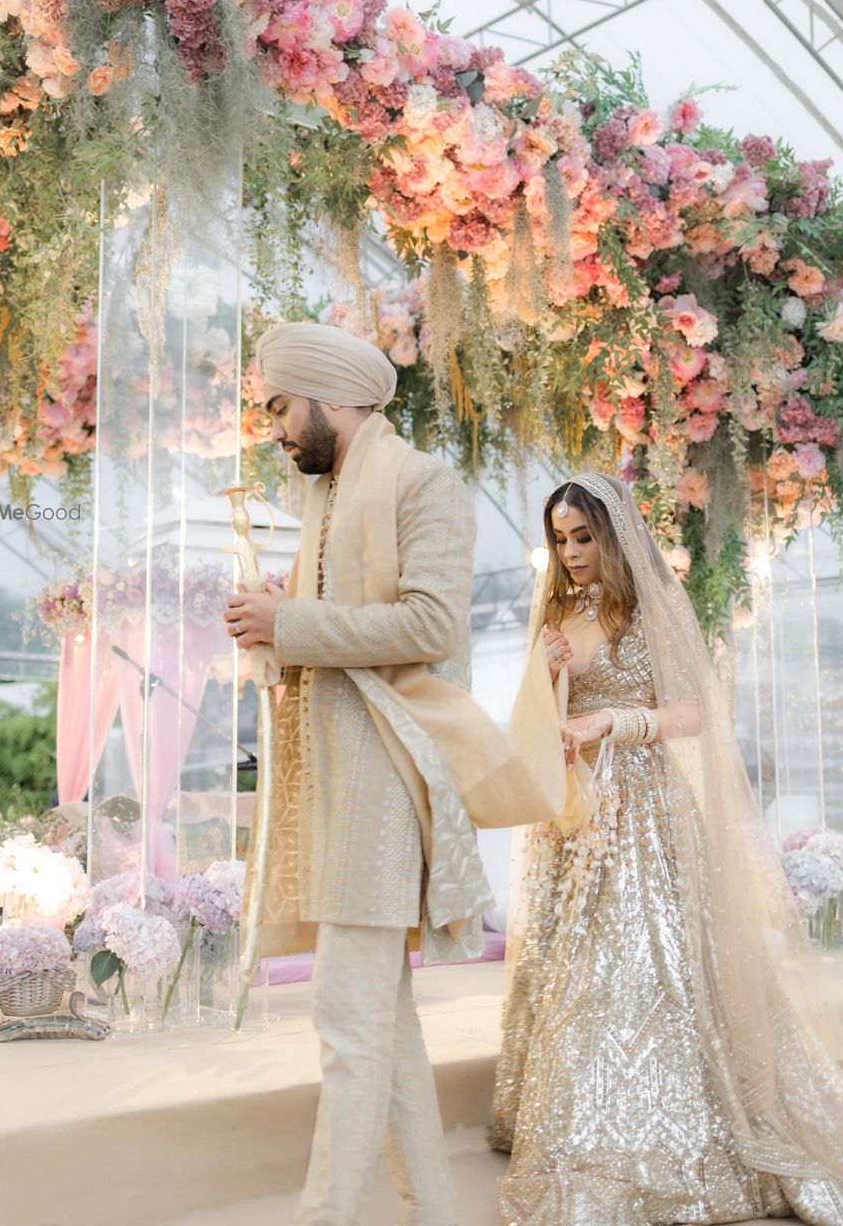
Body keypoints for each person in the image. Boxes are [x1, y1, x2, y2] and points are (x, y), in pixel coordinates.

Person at [223, 320, 559, 1226]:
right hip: (329, 779)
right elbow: (341, 622)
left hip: (385, 780)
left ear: (333, 397)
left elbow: (431, 625)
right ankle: (433, 1213)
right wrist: (274, 617)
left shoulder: (421, 480)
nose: (277, 428)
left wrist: (293, 624)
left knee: (345, 1024)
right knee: (384, 1024)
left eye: (282, 407)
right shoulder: (322, 501)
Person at [490, 472, 843, 1226]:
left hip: (645, 810)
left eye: (583, 536)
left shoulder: (652, 608)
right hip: (581, 814)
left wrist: (616, 726)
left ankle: (664, 1127)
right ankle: (570, 1117)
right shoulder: (564, 611)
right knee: (578, 961)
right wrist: (552, 675)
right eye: (561, 538)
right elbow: (537, 718)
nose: (570, 552)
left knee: (648, 954)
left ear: (613, 534)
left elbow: (696, 713)